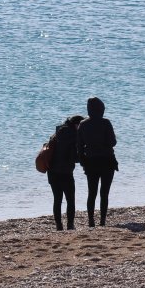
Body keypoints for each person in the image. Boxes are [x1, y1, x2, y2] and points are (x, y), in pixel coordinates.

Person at [77, 97, 118, 227]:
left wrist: (83, 161)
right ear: (101, 110)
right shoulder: (106, 123)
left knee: (92, 192)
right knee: (104, 193)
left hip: (91, 162)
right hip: (107, 161)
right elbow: (113, 142)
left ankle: (91, 221)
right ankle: (102, 221)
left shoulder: (83, 124)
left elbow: (79, 146)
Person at [46, 115, 84, 230]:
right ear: (77, 125)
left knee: (57, 199)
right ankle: (70, 225)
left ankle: (58, 226)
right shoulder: (73, 137)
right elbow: (75, 158)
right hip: (66, 173)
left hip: (52, 171)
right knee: (70, 200)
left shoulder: (56, 134)